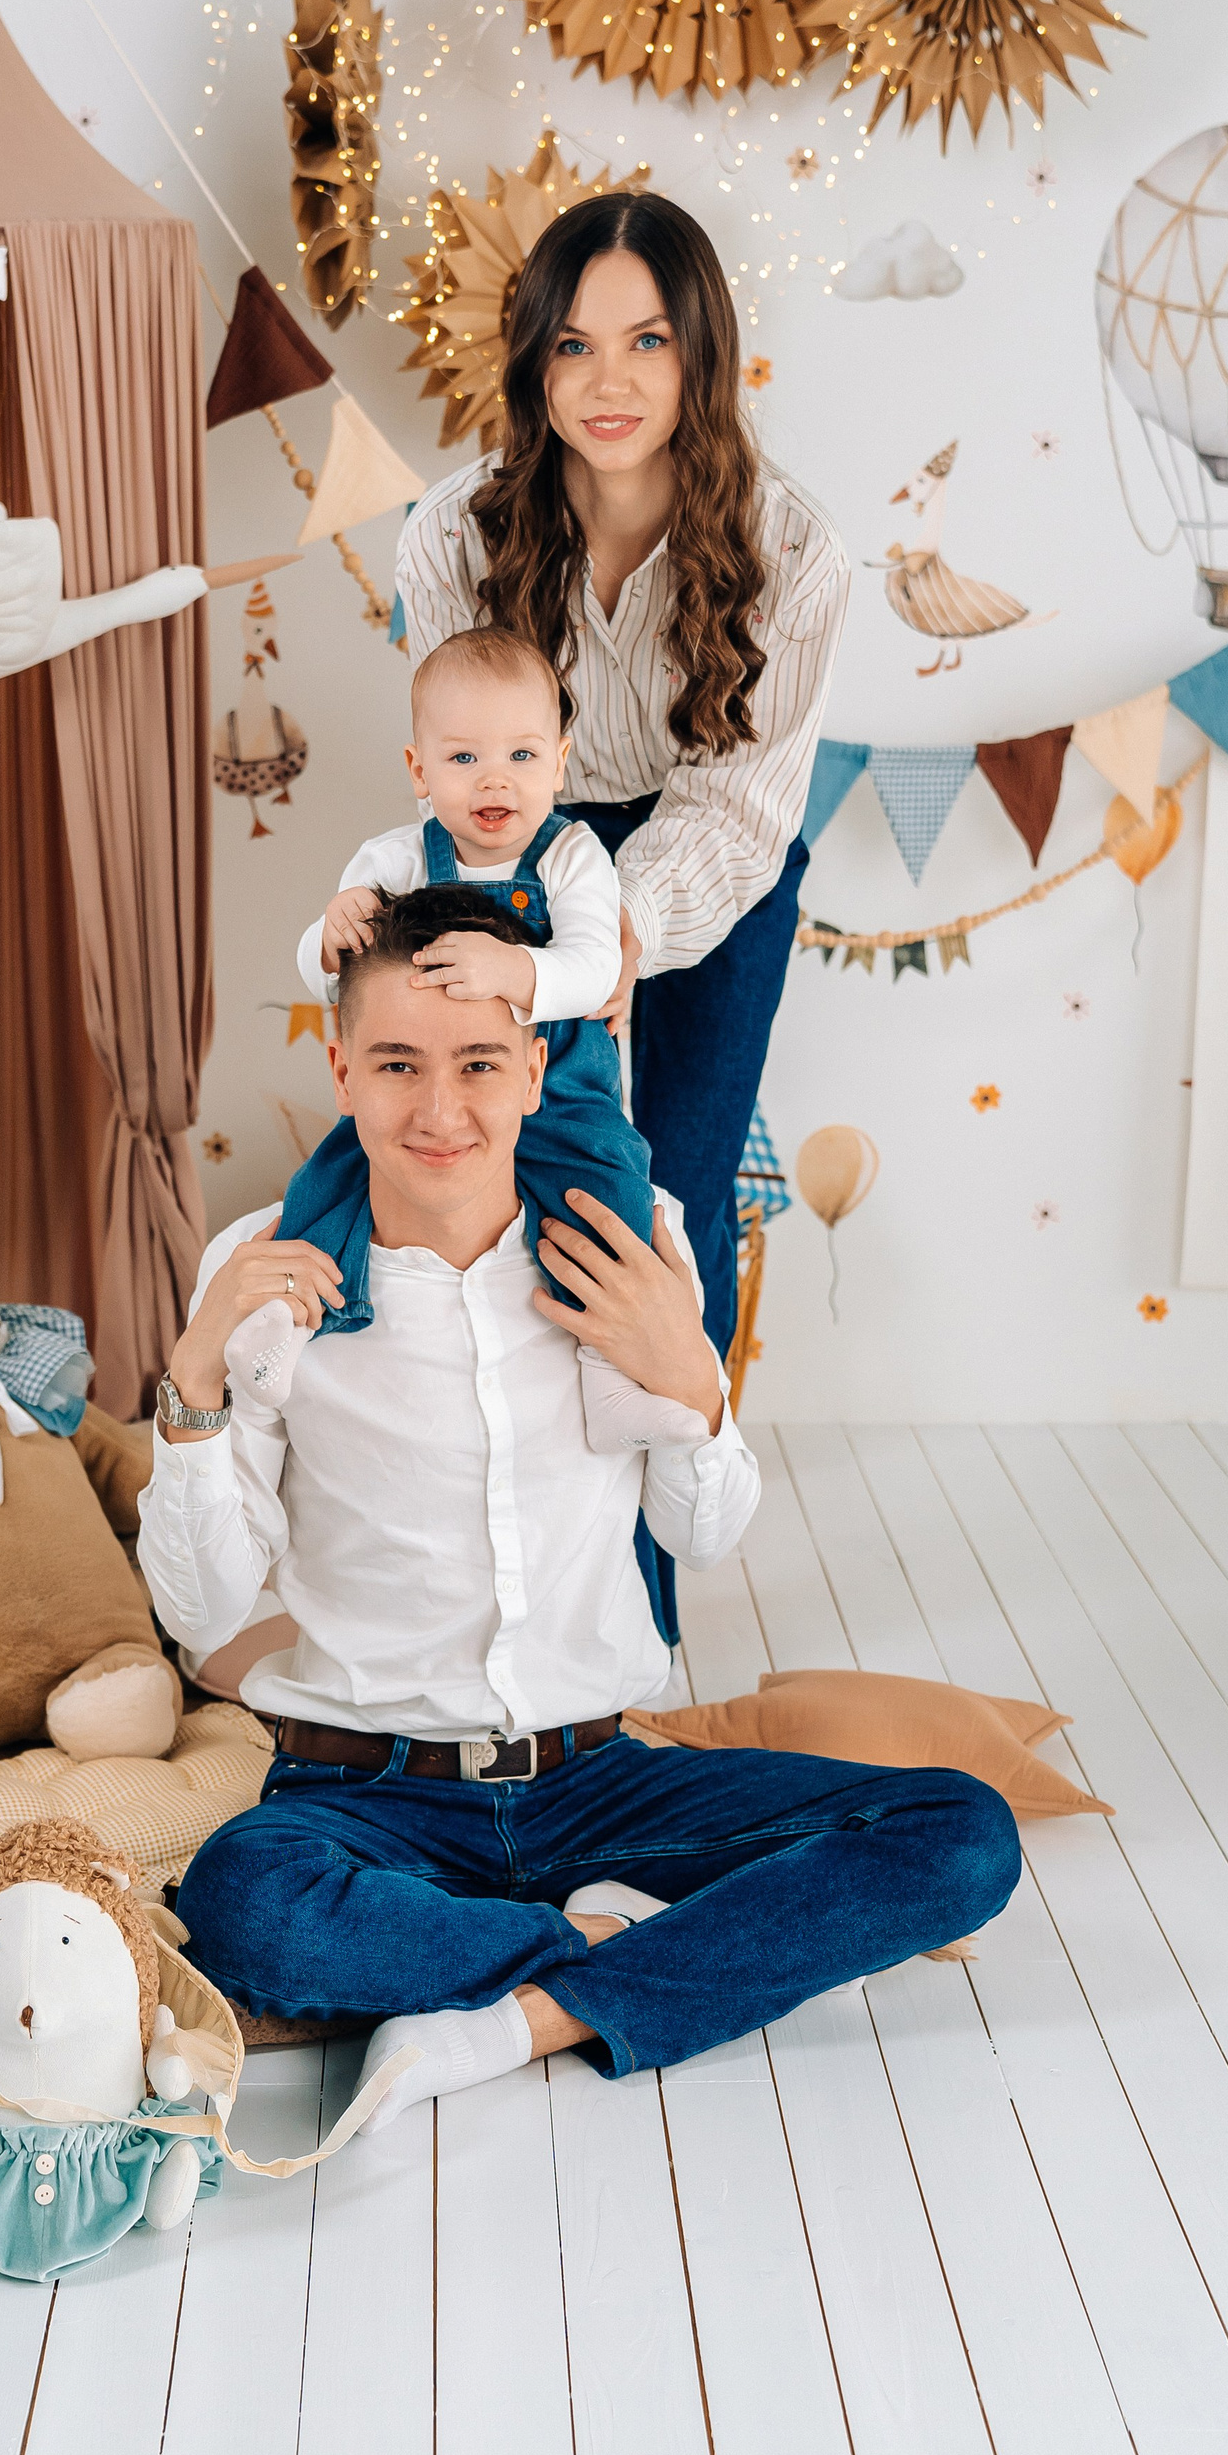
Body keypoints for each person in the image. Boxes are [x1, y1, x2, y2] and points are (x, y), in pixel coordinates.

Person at [137, 889, 1019, 2136]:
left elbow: (703, 1535)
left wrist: (692, 1379)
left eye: (478, 1063)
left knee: (963, 1833)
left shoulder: (629, 1240)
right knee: (243, 1904)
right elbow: (204, 1608)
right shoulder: (266, 1269)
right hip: (371, 1794)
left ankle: (520, 2017)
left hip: (603, 1781)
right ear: (342, 1069)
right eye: (397, 1064)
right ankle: (636, 1948)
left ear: (535, 1070)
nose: (440, 1110)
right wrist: (192, 1382)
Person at [395, 190, 851, 1637]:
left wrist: (610, 940)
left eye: (647, 341)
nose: (610, 381)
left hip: (712, 865)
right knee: (497, 1192)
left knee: (674, 1205)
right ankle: (511, 1568)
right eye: (575, 344)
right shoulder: (453, 535)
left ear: (701, 352)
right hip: (508, 851)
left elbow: (740, 805)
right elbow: (462, 758)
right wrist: (522, 930)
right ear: (533, 357)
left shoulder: (794, 550)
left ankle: (639, 1607)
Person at [277, 626, 658, 1427]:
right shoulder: (392, 859)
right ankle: (306, 1310)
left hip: (560, 1077)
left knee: (614, 1182)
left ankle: (611, 1355)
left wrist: (512, 971)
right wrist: (329, 934)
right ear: (419, 770)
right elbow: (331, 980)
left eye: (522, 755)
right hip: (428, 1074)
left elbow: (597, 968)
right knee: (330, 1176)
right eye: (463, 757)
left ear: (559, 761)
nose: (495, 778)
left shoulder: (572, 855)